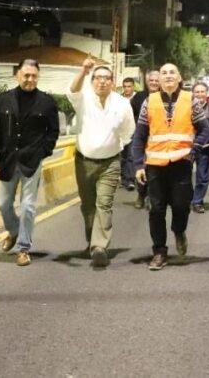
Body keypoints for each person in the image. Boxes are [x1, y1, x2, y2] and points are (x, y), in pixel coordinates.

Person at [131, 63, 209, 271]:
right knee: (156, 210)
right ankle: (159, 251)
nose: (167, 76)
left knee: (180, 205)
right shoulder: (150, 101)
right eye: (164, 73)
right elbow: (139, 136)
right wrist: (139, 164)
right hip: (155, 165)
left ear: (179, 78)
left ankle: (179, 230)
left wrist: (194, 151)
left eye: (172, 73)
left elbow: (204, 130)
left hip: (181, 164)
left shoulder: (190, 100)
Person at [0, 59, 60, 266]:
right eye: (26, 75)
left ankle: (23, 248)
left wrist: (44, 151)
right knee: (3, 204)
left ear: (38, 77)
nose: (30, 79)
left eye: (34, 76)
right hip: (7, 160)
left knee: (28, 206)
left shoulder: (47, 102)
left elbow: (53, 131)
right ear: (17, 75)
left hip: (31, 160)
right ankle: (14, 231)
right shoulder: (3, 100)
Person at [68, 59, 135, 268]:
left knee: (104, 204)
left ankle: (100, 247)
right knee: (88, 206)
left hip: (110, 163)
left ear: (113, 82)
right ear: (92, 81)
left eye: (107, 78)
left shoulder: (122, 104)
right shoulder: (83, 98)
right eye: (98, 78)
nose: (102, 82)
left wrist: (116, 148)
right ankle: (91, 242)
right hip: (84, 162)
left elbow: (128, 131)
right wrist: (83, 70)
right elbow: (72, 89)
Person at [130, 70, 160, 209]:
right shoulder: (138, 98)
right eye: (151, 80)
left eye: (156, 80)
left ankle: (151, 197)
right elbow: (131, 116)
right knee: (141, 168)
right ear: (147, 82)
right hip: (141, 139)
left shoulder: (165, 97)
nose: (154, 83)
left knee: (155, 171)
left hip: (158, 141)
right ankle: (141, 195)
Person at [190, 81, 209, 213]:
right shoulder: (186, 107)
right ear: (193, 93)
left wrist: (208, 140)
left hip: (205, 148)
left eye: (202, 91)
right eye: (197, 92)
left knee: (202, 177)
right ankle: (186, 200)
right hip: (188, 148)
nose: (200, 94)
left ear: (206, 93)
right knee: (184, 177)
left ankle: (197, 202)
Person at [119, 77, 138, 191]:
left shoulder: (137, 98)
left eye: (129, 86)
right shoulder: (119, 99)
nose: (127, 89)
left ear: (133, 87)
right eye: (125, 87)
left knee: (131, 155)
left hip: (134, 131)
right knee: (122, 156)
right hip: (121, 132)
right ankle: (124, 178)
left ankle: (130, 179)